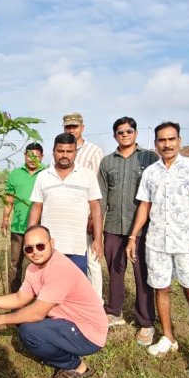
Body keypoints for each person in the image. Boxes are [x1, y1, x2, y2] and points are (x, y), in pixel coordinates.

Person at [127, 121, 189, 378]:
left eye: (171, 139)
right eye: (162, 140)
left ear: (179, 140)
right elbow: (144, 207)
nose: (166, 144)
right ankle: (168, 337)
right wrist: (133, 236)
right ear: (156, 143)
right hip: (156, 243)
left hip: (187, 244)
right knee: (161, 289)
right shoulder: (151, 173)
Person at [0, 225, 107, 378]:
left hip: (89, 333)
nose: (35, 252)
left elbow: (36, 314)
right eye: (29, 249)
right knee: (25, 320)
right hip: (70, 321)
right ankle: (57, 349)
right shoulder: (33, 269)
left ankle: (76, 366)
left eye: (40, 246)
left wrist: (0, 319)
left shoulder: (59, 269)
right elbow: (20, 298)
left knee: (29, 331)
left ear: (52, 243)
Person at [98, 117, 160, 343]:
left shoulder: (149, 158)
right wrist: (98, 225)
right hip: (113, 226)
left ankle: (146, 321)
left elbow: (156, 192)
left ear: (136, 133)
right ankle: (114, 311)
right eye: (120, 132)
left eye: (129, 131)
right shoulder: (107, 162)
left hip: (142, 229)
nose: (124, 134)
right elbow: (102, 196)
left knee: (142, 273)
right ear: (115, 135)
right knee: (115, 271)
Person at [28, 133, 103, 274]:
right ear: (53, 152)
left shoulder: (88, 175)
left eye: (69, 151)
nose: (64, 155)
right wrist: (30, 239)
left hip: (77, 247)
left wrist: (98, 239)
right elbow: (36, 208)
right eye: (60, 151)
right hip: (48, 247)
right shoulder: (43, 176)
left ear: (75, 153)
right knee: (49, 284)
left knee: (75, 285)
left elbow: (95, 208)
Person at [63, 113, 105, 301]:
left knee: (92, 259)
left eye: (75, 126)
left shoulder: (93, 152)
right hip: (66, 215)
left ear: (82, 128)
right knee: (67, 259)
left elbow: (98, 187)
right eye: (68, 127)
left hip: (86, 215)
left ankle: (96, 302)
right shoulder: (61, 149)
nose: (71, 130)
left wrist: (92, 218)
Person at [1, 143, 44, 292]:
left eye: (36, 157)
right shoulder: (15, 174)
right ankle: (14, 293)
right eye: (29, 156)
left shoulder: (46, 173)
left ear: (42, 157)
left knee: (40, 262)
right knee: (15, 263)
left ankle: (39, 294)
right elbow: (9, 200)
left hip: (40, 229)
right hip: (18, 227)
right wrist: (5, 219)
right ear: (25, 155)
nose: (32, 159)